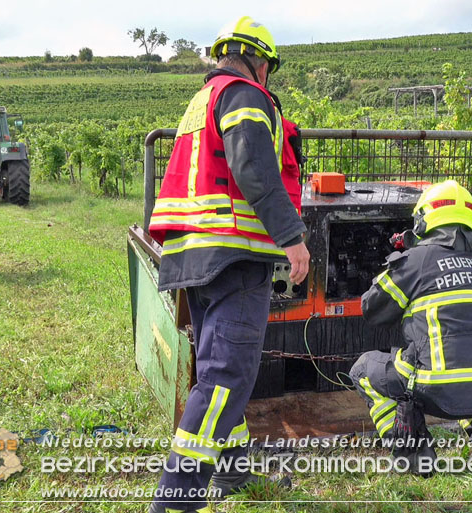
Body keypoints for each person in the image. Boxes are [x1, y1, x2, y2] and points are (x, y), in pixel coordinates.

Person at [147, 16, 309, 513]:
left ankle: (234, 473)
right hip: (234, 254)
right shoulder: (245, 95)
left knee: (218, 369)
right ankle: (174, 502)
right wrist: (292, 238)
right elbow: (254, 168)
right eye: (268, 67)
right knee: (226, 377)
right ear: (260, 61)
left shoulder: (202, 101)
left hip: (198, 255)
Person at [349, 180, 472, 472]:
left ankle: (414, 451)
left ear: (424, 219)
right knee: (469, 381)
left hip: (439, 384)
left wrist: (399, 260)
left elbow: (371, 308)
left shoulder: (416, 259)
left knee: (363, 369)